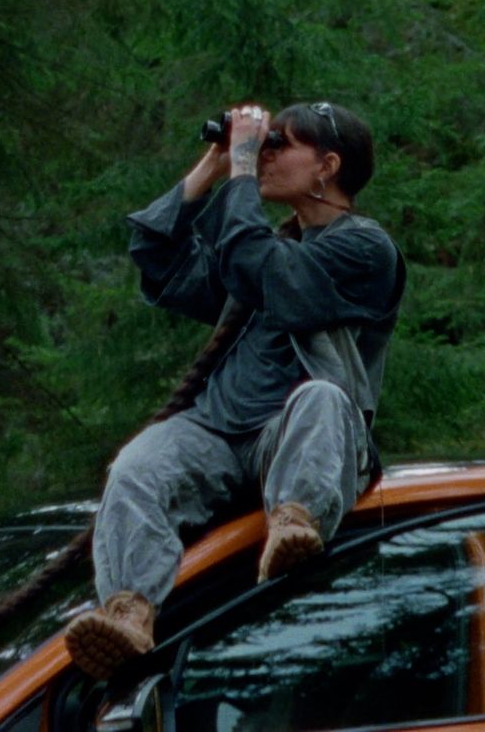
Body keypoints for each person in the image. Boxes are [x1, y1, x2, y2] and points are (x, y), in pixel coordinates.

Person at [62, 101, 405, 680]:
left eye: (280, 145)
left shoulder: (365, 250)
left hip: (295, 438)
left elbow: (264, 269)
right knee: (137, 467)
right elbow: (163, 265)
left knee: (322, 397)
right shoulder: (268, 243)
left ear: (327, 165)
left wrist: (245, 167)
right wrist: (214, 165)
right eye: (265, 144)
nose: (266, 154)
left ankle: (297, 521)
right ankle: (129, 612)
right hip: (220, 435)